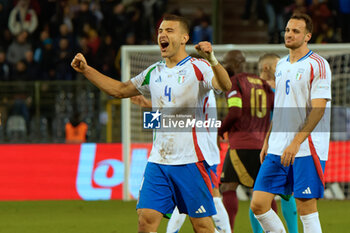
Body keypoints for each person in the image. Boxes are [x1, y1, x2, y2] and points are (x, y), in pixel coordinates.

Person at [71, 14, 231, 233]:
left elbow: (225, 83)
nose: (162, 35)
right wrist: (86, 70)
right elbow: (119, 90)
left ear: (184, 38)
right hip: (159, 161)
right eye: (160, 31)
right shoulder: (153, 72)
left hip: (191, 161)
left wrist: (212, 59)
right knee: (146, 220)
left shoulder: (199, 67)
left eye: (169, 31)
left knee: (202, 226)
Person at [250, 13, 331, 233]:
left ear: (307, 36)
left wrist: (296, 142)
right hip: (277, 145)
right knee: (258, 204)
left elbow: (319, 109)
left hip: (306, 147)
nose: (289, 34)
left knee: (306, 207)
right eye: (287, 30)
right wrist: (268, 140)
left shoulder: (318, 65)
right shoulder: (281, 65)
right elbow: (280, 106)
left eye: (296, 31)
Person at [218, 50, 275, 233]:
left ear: (235, 63)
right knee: (264, 193)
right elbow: (276, 109)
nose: (224, 66)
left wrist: (220, 131)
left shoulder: (234, 82)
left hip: (241, 143)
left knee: (227, 186)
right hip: (261, 146)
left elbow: (235, 111)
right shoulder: (262, 83)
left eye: (226, 62)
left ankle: (228, 230)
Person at [258, 53, 299, 233]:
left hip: (275, 143)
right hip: (261, 144)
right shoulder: (263, 88)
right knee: (260, 196)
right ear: (267, 67)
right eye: (277, 65)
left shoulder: (281, 86)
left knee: (284, 194)